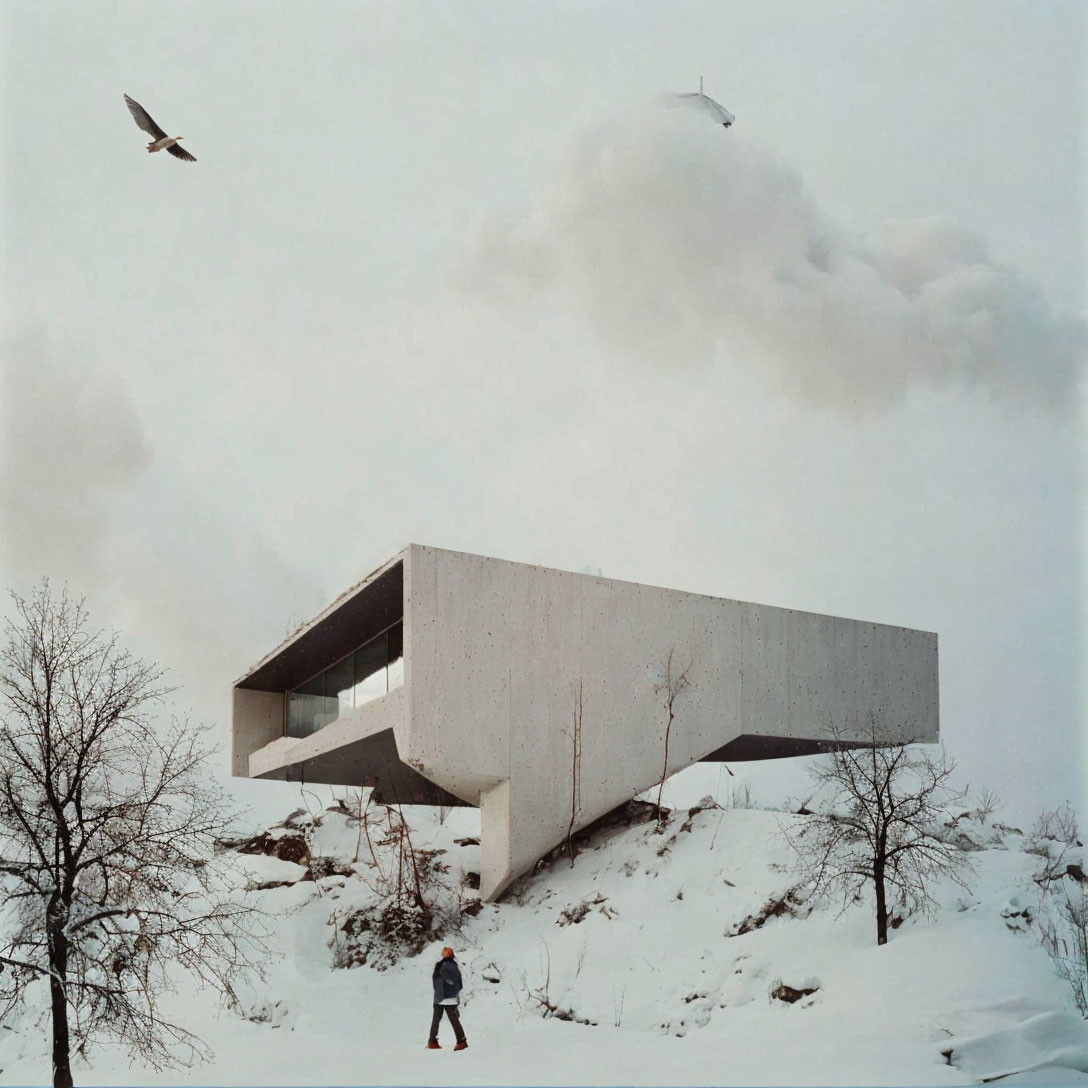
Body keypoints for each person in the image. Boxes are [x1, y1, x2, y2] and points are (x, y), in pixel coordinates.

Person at [427, 945, 468, 1051]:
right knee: (454, 1021)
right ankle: (461, 1041)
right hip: (451, 999)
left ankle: (432, 1042)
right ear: (452, 955)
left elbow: (435, 981)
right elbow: (459, 984)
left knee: (435, 1020)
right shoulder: (454, 966)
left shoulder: (438, 966)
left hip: (439, 999)